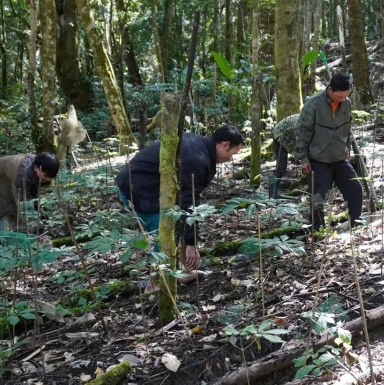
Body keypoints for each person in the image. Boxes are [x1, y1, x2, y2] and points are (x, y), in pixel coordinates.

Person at [115, 125, 244, 278]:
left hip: (153, 188)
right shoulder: (197, 159)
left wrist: (190, 240)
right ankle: (156, 282)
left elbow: (187, 202)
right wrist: (191, 243)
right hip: (138, 189)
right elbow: (188, 202)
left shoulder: (201, 148)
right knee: (165, 230)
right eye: (233, 153)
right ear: (225, 145)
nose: (231, 159)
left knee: (177, 221)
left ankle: (184, 273)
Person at [297, 72, 362, 231]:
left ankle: (356, 223)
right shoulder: (313, 104)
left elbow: (347, 128)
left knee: (355, 188)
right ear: (330, 90)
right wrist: (303, 158)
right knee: (317, 197)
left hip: (339, 158)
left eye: (346, 96)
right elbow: (303, 132)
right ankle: (317, 230)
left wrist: (346, 149)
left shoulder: (346, 103)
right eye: (339, 97)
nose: (343, 100)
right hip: (318, 159)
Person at [0, 152, 59, 241]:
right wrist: (39, 232)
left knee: (20, 225)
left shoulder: (38, 164)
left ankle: (22, 250)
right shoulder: (22, 175)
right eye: (45, 176)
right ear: (36, 168)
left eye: (50, 177)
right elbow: (25, 206)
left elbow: (30, 198)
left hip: (5, 186)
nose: (48, 179)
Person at [267, 113, 299, 199]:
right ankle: (273, 194)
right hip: (281, 133)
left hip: (287, 133)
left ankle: (274, 194)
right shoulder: (306, 123)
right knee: (281, 165)